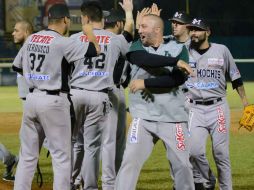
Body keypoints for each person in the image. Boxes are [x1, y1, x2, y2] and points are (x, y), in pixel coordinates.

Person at [12, 3, 99, 190]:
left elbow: (17, 66)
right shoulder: (63, 42)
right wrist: (89, 32)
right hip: (53, 101)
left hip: (32, 99)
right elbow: (94, 51)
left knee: (27, 157)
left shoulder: (32, 38)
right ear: (66, 20)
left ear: (48, 19)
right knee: (61, 158)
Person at [115, 14, 194, 190]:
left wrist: (145, 83)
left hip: (174, 119)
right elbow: (144, 60)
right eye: (139, 27)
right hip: (143, 118)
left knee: (183, 166)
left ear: (157, 29)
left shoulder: (179, 48)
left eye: (143, 27)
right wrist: (175, 62)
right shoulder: (137, 48)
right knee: (129, 163)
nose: (139, 30)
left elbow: (176, 80)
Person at [69, 1, 133, 189]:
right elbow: (129, 32)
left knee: (73, 143)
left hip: (75, 94)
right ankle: (98, 186)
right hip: (100, 96)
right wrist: (129, 12)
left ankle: (71, 182)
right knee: (97, 145)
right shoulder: (115, 39)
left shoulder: (75, 38)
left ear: (86, 18)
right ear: (103, 19)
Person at [185, 17, 249, 190]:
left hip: (218, 108)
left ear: (208, 32)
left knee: (221, 154)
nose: (194, 33)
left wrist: (246, 104)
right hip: (193, 108)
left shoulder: (222, 50)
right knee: (193, 151)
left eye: (198, 29)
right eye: (191, 29)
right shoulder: (184, 50)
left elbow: (235, 77)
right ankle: (208, 179)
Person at [12, 20, 33, 101]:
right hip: (30, 96)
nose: (13, 33)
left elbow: (15, 67)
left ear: (26, 32)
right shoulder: (27, 47)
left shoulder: (28, 47)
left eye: (16, 30)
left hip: (31, 96)